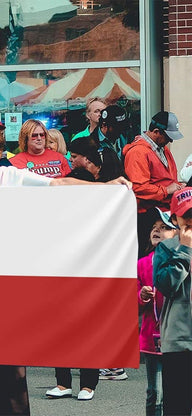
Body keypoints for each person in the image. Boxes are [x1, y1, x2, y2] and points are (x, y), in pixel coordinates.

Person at [0, 122, 131, 416]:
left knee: (11, 382)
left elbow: (59, 185)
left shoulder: (13, 177)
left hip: (4, 300)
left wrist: (104, 187)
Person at [123, 111, 184, 258]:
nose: (171, 141)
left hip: (163, 213)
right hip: (147, 215)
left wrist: (176, 186)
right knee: (148, 257)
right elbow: (137, 187)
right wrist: (166, 190)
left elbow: (168, 178)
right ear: (156, 132)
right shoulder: (138, 152)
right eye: (168, 137)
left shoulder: (162, 148)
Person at [154, 187, 192, 416]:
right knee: (176, 406)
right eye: (186, 215)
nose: (191, 220)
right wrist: (185, 250)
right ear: (174, 218)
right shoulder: (167, 248)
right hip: (179, 339)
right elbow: (166, 285)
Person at [138, 208, 177, 416]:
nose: (157, 230)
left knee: (176, 392)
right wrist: (141, 296)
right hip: (151, 339)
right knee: (154, 391)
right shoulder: (142, 264)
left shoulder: (182, 260)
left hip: (177, 339)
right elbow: (130, 303)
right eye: (154, 228)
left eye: (164, 228)